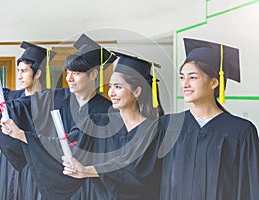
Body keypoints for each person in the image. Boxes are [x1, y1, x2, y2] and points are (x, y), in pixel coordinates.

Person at [0, 34, 117, 200]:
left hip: (87, 182)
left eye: (76, 73)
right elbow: (18, 106)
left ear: (93, 75)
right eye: (68, 72)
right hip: (53, 172)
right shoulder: (58, 97)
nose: (69, 78)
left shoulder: (107, 111)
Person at [155, 38, 259, 199]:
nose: (185, 84)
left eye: (193, 77)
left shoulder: (241, 132)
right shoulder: (168, 126)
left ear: (214, 82)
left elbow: (250, 187)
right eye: (182, 77)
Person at [0, 41, 63, 200]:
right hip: (10, 165)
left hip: (36, 163)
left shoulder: (52, 100)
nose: (19, 76)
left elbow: (21, 109)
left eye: (24, 71)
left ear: (39, 73)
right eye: (18, 71)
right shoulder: (12, 97)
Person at [61, 51, 165, 199]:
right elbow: (74, 143)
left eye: (118, 87)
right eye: (110, 86)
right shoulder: (98, 123)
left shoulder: (154, 130)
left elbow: (131, 169)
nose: (111, 93)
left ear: (137, 91)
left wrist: (87, 170)